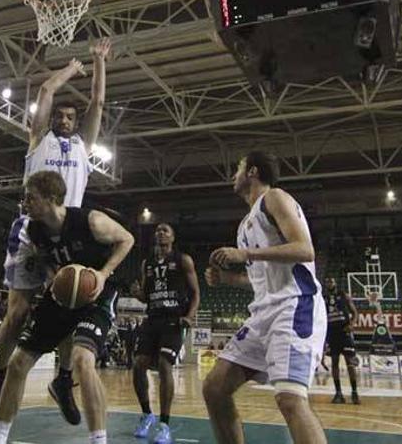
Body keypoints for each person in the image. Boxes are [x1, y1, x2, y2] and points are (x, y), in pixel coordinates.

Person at [0, 38, 112, 428]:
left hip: (69, 235)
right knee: (18, 312)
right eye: (62, 116)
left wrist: (99, 62)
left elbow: (99, 105)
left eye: (72, 118)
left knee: (72, 307)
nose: (66, 121)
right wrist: (73, 66)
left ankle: (63, 380)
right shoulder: (39, 141)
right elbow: (45, 90)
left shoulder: (84, 149)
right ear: (53, 119)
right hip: (30, 231)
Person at [0, 170, 135, 444]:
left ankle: (98, 440)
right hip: (64, 295)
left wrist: (103, 274)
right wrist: (56, 276)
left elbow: (128, 239)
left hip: (96, 296)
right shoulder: (34, 230)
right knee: (18, 363)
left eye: (31, 198)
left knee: (83, 359)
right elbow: (48, 260)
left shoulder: (91, 221)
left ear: (52, 198)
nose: (24, 203)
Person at [201, 151, 328, 444]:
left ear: (253, 172)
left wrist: (246, 254)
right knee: (215, 387)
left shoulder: (275, 198)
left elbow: (304, 250)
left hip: (294, 305)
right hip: (263, 313)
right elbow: (263, 281)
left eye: (239, 167)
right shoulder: (245, 223)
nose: (234, 173)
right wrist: (228, 280)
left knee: (290, 400)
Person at [132, 223, 200, 443]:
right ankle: (146, 415)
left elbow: (196, 293)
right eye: (158, 230)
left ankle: (164, 424)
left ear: (173, 237)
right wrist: (138, 294)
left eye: (165, 230)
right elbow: (146, 295)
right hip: (152, 319)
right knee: (138, 365)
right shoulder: (147, 264)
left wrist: (189, 316)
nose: (160, 233)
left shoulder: (183, 260)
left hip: (173, 320)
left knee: (163, 365)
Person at [323, 277, 360, 404]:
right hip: (332, 334)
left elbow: (355, 312)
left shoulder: (343, 295)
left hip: (345, 332)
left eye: (331, 281)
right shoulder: (323, 298)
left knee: (350, 363)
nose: (329, 283)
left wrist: (352, 324)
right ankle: (338, 393)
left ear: (335, 283)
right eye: (327, 282)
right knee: (334, 363)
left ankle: (354, 392)